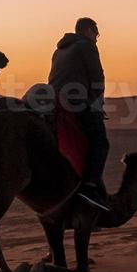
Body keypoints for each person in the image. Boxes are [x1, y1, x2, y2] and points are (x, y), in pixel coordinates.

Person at [49, 17, 110, 211]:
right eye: (96, 33)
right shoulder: (87, 46)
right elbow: (97, 79)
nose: (97, 38)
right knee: (100, 142)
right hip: (77, 102)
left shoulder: (59, 50)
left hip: (54, 102)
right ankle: (90, 187)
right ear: (88, 31)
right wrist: (97, 103)